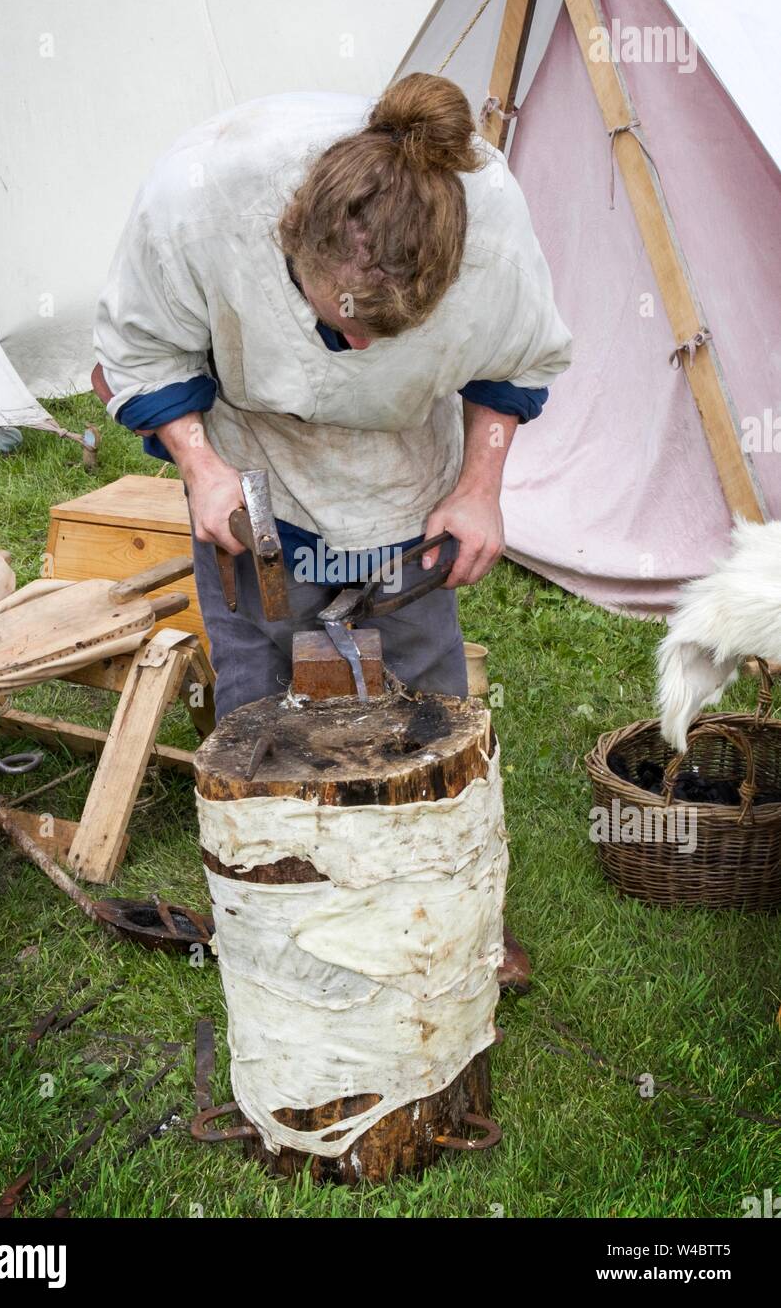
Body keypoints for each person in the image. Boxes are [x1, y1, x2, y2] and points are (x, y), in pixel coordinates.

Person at [92, 73, 572, 992]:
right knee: (257, 693)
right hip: (253, 458)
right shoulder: (200, 198)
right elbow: (143, 349)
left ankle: (455, 913)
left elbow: (514, 361)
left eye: (383, 329)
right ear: (292, 239)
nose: (354, 349)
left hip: (401, 467)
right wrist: (199, 465)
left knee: (431, 701)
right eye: (337, 317)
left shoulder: (492, 221)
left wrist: (479, 487)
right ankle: (281, 919)